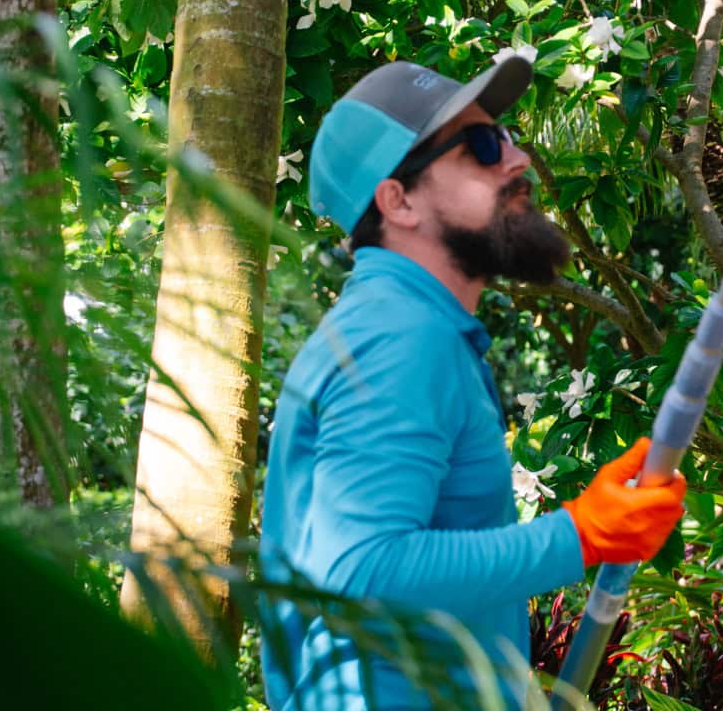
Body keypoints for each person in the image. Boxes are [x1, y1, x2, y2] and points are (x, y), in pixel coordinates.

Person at [259, 58, 686, 710]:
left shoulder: (408, 327)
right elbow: (360, 570)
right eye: (482, 146)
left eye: (506, 135)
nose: (516, 159)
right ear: (396, 201)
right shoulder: (398, 337)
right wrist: (580, 536)